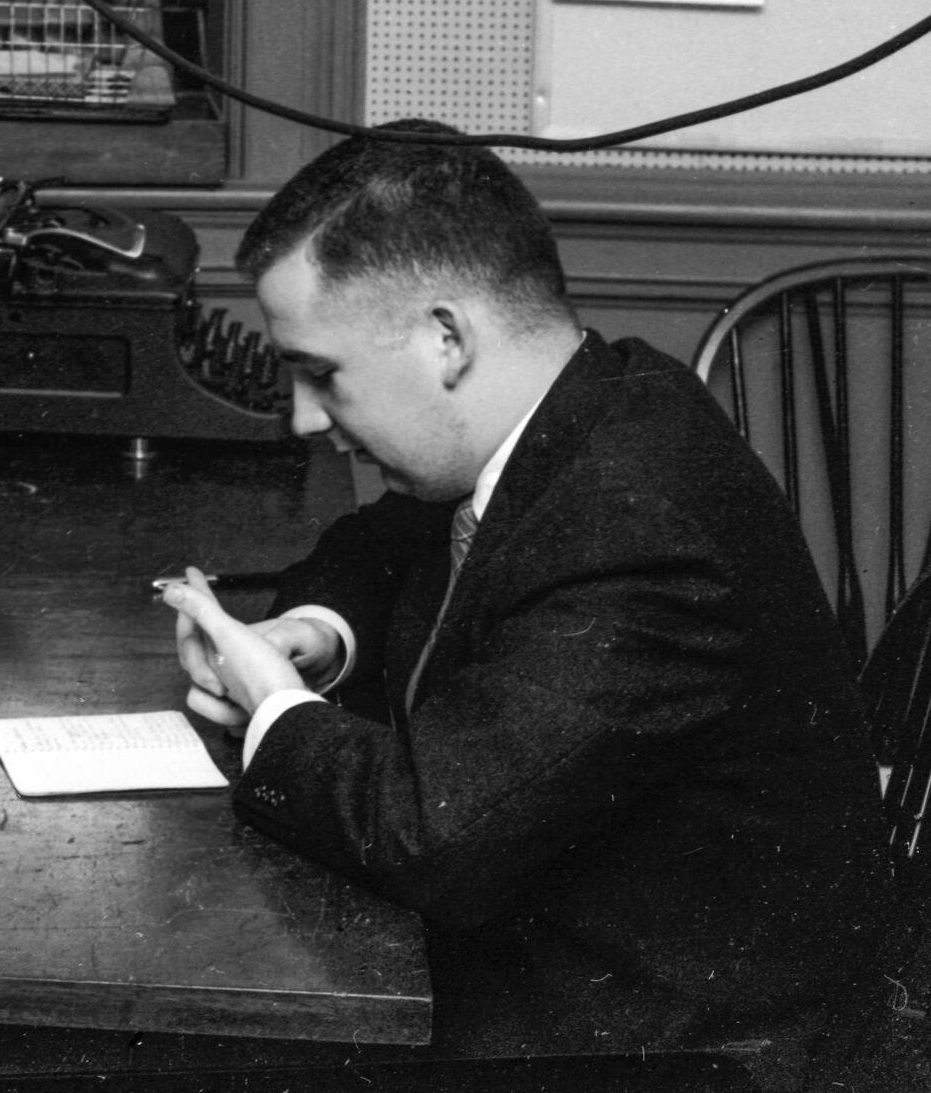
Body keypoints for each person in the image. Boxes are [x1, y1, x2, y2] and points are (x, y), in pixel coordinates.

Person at [160, 125, 890, 1084]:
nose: (302, 416)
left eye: (320, 372)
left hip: (665, 1047)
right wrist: (314, 635)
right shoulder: (584, 401)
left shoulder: (640, 525)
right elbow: (384, 543)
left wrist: (275, 713)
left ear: (447, 338)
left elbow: (430, 837)